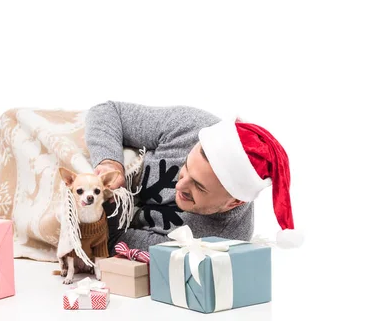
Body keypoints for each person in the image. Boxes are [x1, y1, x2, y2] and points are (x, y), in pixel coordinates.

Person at [85, 100, 301, 255]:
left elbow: (115, 243)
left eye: (199, 187)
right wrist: (109, 162)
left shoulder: (217, 242)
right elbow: (107, 111)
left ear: (234, 202)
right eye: (186, 167)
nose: (180, 184)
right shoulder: (190, 127)